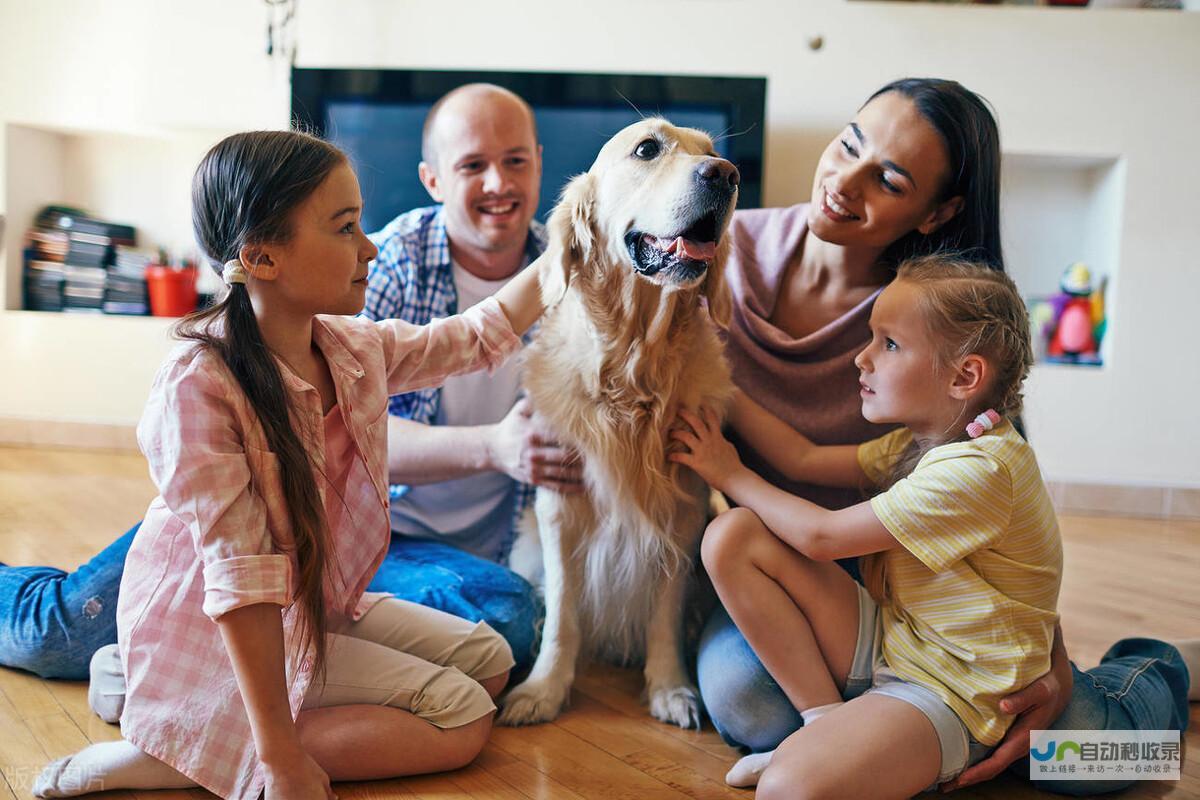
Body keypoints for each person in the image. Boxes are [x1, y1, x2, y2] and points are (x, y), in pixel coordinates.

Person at [693, 77, 1194, 796]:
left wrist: (1048, 667)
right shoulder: (713, 247)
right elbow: (800, 459)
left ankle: (1153, 670)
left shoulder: (935, 320)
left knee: (1081, 765)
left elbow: (1012, 538)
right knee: (748, 698)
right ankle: (845, 728)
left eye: (889, 180)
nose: (844, 182)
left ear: (939, 212)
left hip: (912, 611)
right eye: (848, 145)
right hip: (853, 601)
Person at [0, 83, 576, 686]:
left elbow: (475, 335)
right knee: (54, 634)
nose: (498, 184)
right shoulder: (367, 278)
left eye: (515, 161)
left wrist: (581, 241)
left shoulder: (558, 272)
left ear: (540, 161)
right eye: (472, 165)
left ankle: (185, 670)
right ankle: (157, 672)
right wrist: (494, 447)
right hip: (250, 549)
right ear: (432, 179)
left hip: (353, 557)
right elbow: (240, 568)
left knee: (508, 628)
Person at [674, 256, 1059, 797]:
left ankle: (1152, 675)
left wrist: (728, 472)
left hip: (952, 691)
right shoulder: (922, 441)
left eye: (889, 345)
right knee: (732, 535)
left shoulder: (980, 468)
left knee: (788, 790)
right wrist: (712, 385)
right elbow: (802, 458)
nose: (862, 358)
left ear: (964, 375)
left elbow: (822, 538)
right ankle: (822, 720)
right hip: (897, 643)